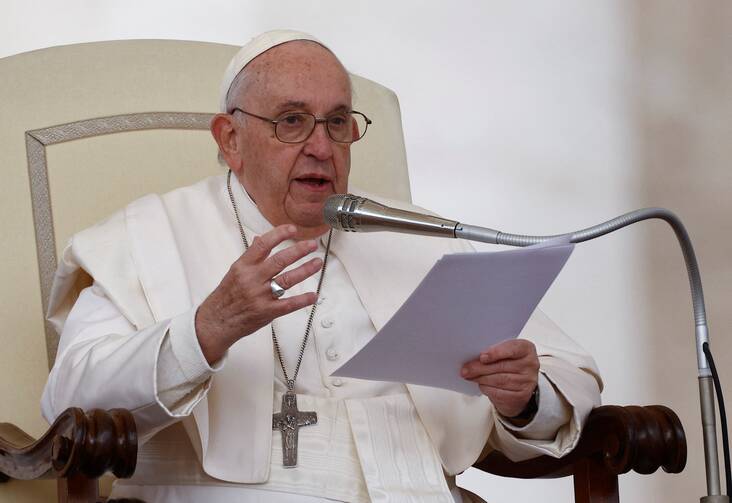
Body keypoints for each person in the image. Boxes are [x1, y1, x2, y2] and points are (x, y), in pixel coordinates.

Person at [41, 30, 602, 502]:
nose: (321, 147)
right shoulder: (146, 237)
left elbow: (568, 378)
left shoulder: (419, 238)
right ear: (231, 139)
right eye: (291, 121)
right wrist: (206, 329)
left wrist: (524, 398)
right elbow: (72, 400)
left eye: (337, 123)